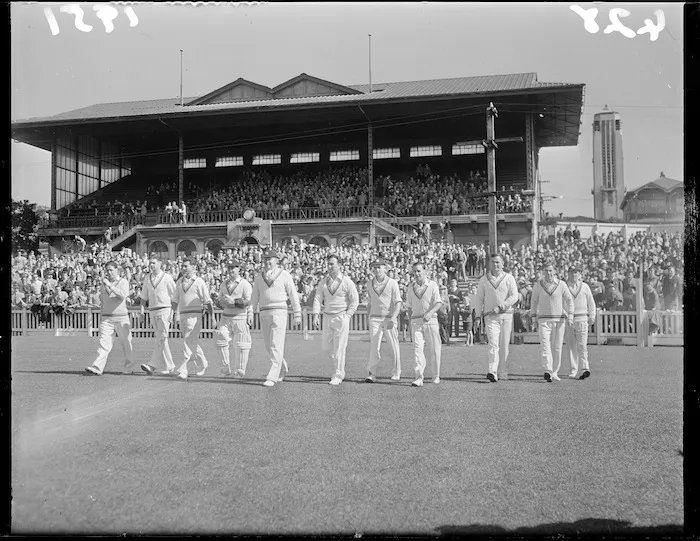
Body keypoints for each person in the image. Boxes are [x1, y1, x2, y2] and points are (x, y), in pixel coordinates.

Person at [251, 249, 302, 387]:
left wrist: (297, 313)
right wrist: (250, 312)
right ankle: (282, 367)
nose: (267, 261)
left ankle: (272, 376)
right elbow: (254, 297)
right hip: (264, 313)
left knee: (275, 344)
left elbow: (293, 295)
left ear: (276, 260)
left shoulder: (284, 275)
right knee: (269, 346)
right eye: (265, 259)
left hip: (279, 312)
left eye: (270, 259)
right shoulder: (258, 277)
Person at [312, 253, 359, 386]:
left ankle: (338, 374)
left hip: (341, 316)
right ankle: (340, 363)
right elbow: (317, 298)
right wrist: (316, 314)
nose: (330, 266)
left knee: (339, 348)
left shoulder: (346, 281)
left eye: (332, 264)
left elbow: (354, 300)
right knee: (326, 348)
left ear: (340, 265)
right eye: (328, 264)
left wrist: (347, 315)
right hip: (327, 317)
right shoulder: (323, 281)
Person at [84, 261, 136, 376]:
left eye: (111, 270)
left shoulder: (123, 282)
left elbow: (122, 296)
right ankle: (97, 366)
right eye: (107, 270)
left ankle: (129, 368)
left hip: (121, 318)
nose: (109, 272)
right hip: (107, 318)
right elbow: (104, 299)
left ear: (117, 270)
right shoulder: (104, 283)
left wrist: (110, 285)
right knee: (104, 343)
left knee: (126, 343)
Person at [473, 254, 519, 382]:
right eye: (493, 262)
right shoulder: (484, 279)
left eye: (498, 262)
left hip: (506, 315)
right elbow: (479, 299)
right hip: (490, 317)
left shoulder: (509, 278)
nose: (496, 265)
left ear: (503, 263)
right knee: (493, 344)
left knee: (504, 346)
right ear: (489, 264)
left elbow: (514, 296)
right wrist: (477, 316)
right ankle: (492, 371)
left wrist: (501, 306)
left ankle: (502, 371)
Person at [530, 263, 575, 382]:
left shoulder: (561, 284)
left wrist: (570, 316)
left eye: (550, 270)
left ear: (554, 271)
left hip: (559, 320)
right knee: (545, 346)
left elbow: (569, 300)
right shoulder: (538, 285)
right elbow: (534, 302)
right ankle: (548, 370)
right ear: (543, 272)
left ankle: (554, 371)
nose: (549, 273)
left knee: (557, 347)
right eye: (546, 271)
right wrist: (534, 318)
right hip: (544, 320)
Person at [172, 257, 214, 380]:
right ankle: (203, 363)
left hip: (195, 316)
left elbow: (207, 300)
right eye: (183, 266)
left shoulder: (199, 282)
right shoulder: (179, 282)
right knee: (191, 342)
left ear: (194, 267)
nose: (183, 268)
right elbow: (175, 299)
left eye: (186, 266)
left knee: (187, 341)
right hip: (183, 315)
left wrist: (212, 317)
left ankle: (183, 369)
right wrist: (173, 314)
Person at [405, 261, 443, 387]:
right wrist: (411, 320)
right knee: (417, 350)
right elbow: (409, 306)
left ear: (425, 271)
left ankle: (435, 375)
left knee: (434, 350)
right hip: (416, 322)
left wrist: (430, 313)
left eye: (419, 271)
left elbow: (438, 303)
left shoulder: (433, 285)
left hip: (430, 321)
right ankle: (419, 377)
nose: (416, 274)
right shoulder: (411, 287)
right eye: (414, 271)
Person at [139, 255, 178, 375]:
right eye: (150, 263)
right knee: (162, 339)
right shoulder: (147, 278)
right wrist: (141, 311)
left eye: (154, 263)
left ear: (160, 264)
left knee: (161, 338)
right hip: (152, 310)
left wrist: (173, 313)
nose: (151, 265)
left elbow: (175, 296)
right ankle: (170, 365)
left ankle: (152, 365)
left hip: (165, 310)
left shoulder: (167, 278)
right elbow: (143, 296)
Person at [214, 260, 253, 378]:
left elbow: (249, 301)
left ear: (239, 269)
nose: (231, 270)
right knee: (220, 338)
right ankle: (225, 369)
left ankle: (240, 371)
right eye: (229, 267)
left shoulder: (245, 284)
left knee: (242, 343)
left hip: (240, 317)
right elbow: (219, 301)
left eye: (234, 268)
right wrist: (219, 302)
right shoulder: (223, 284)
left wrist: (235, 302)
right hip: (225, 316)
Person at [365, 258, 402, 382]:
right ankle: (372, 373)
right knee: (374, 347)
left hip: (388, 319)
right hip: (375, 318)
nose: (377, 269)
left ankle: (396, 372)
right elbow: (370, 302)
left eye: (379, 267)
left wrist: (393, 318)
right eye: (375, 267)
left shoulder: (393, 283)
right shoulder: (369, 283)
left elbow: (398, 302)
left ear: (385, 268)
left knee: (393, 347)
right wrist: (368, 317)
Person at [562, 267, 596, 380]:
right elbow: (559, 303)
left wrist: (592, 315)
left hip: (582, 319)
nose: (573, 275)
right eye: (571, 272)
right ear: (568, 273)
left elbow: (591, 302)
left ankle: (585, 368)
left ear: (580, 274)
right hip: (569, 320)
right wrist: (565, 314)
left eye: (576, 272)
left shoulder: (585, 286)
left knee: (582, 346)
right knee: (571, 346)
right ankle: (573, 369)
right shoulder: (564, 286)